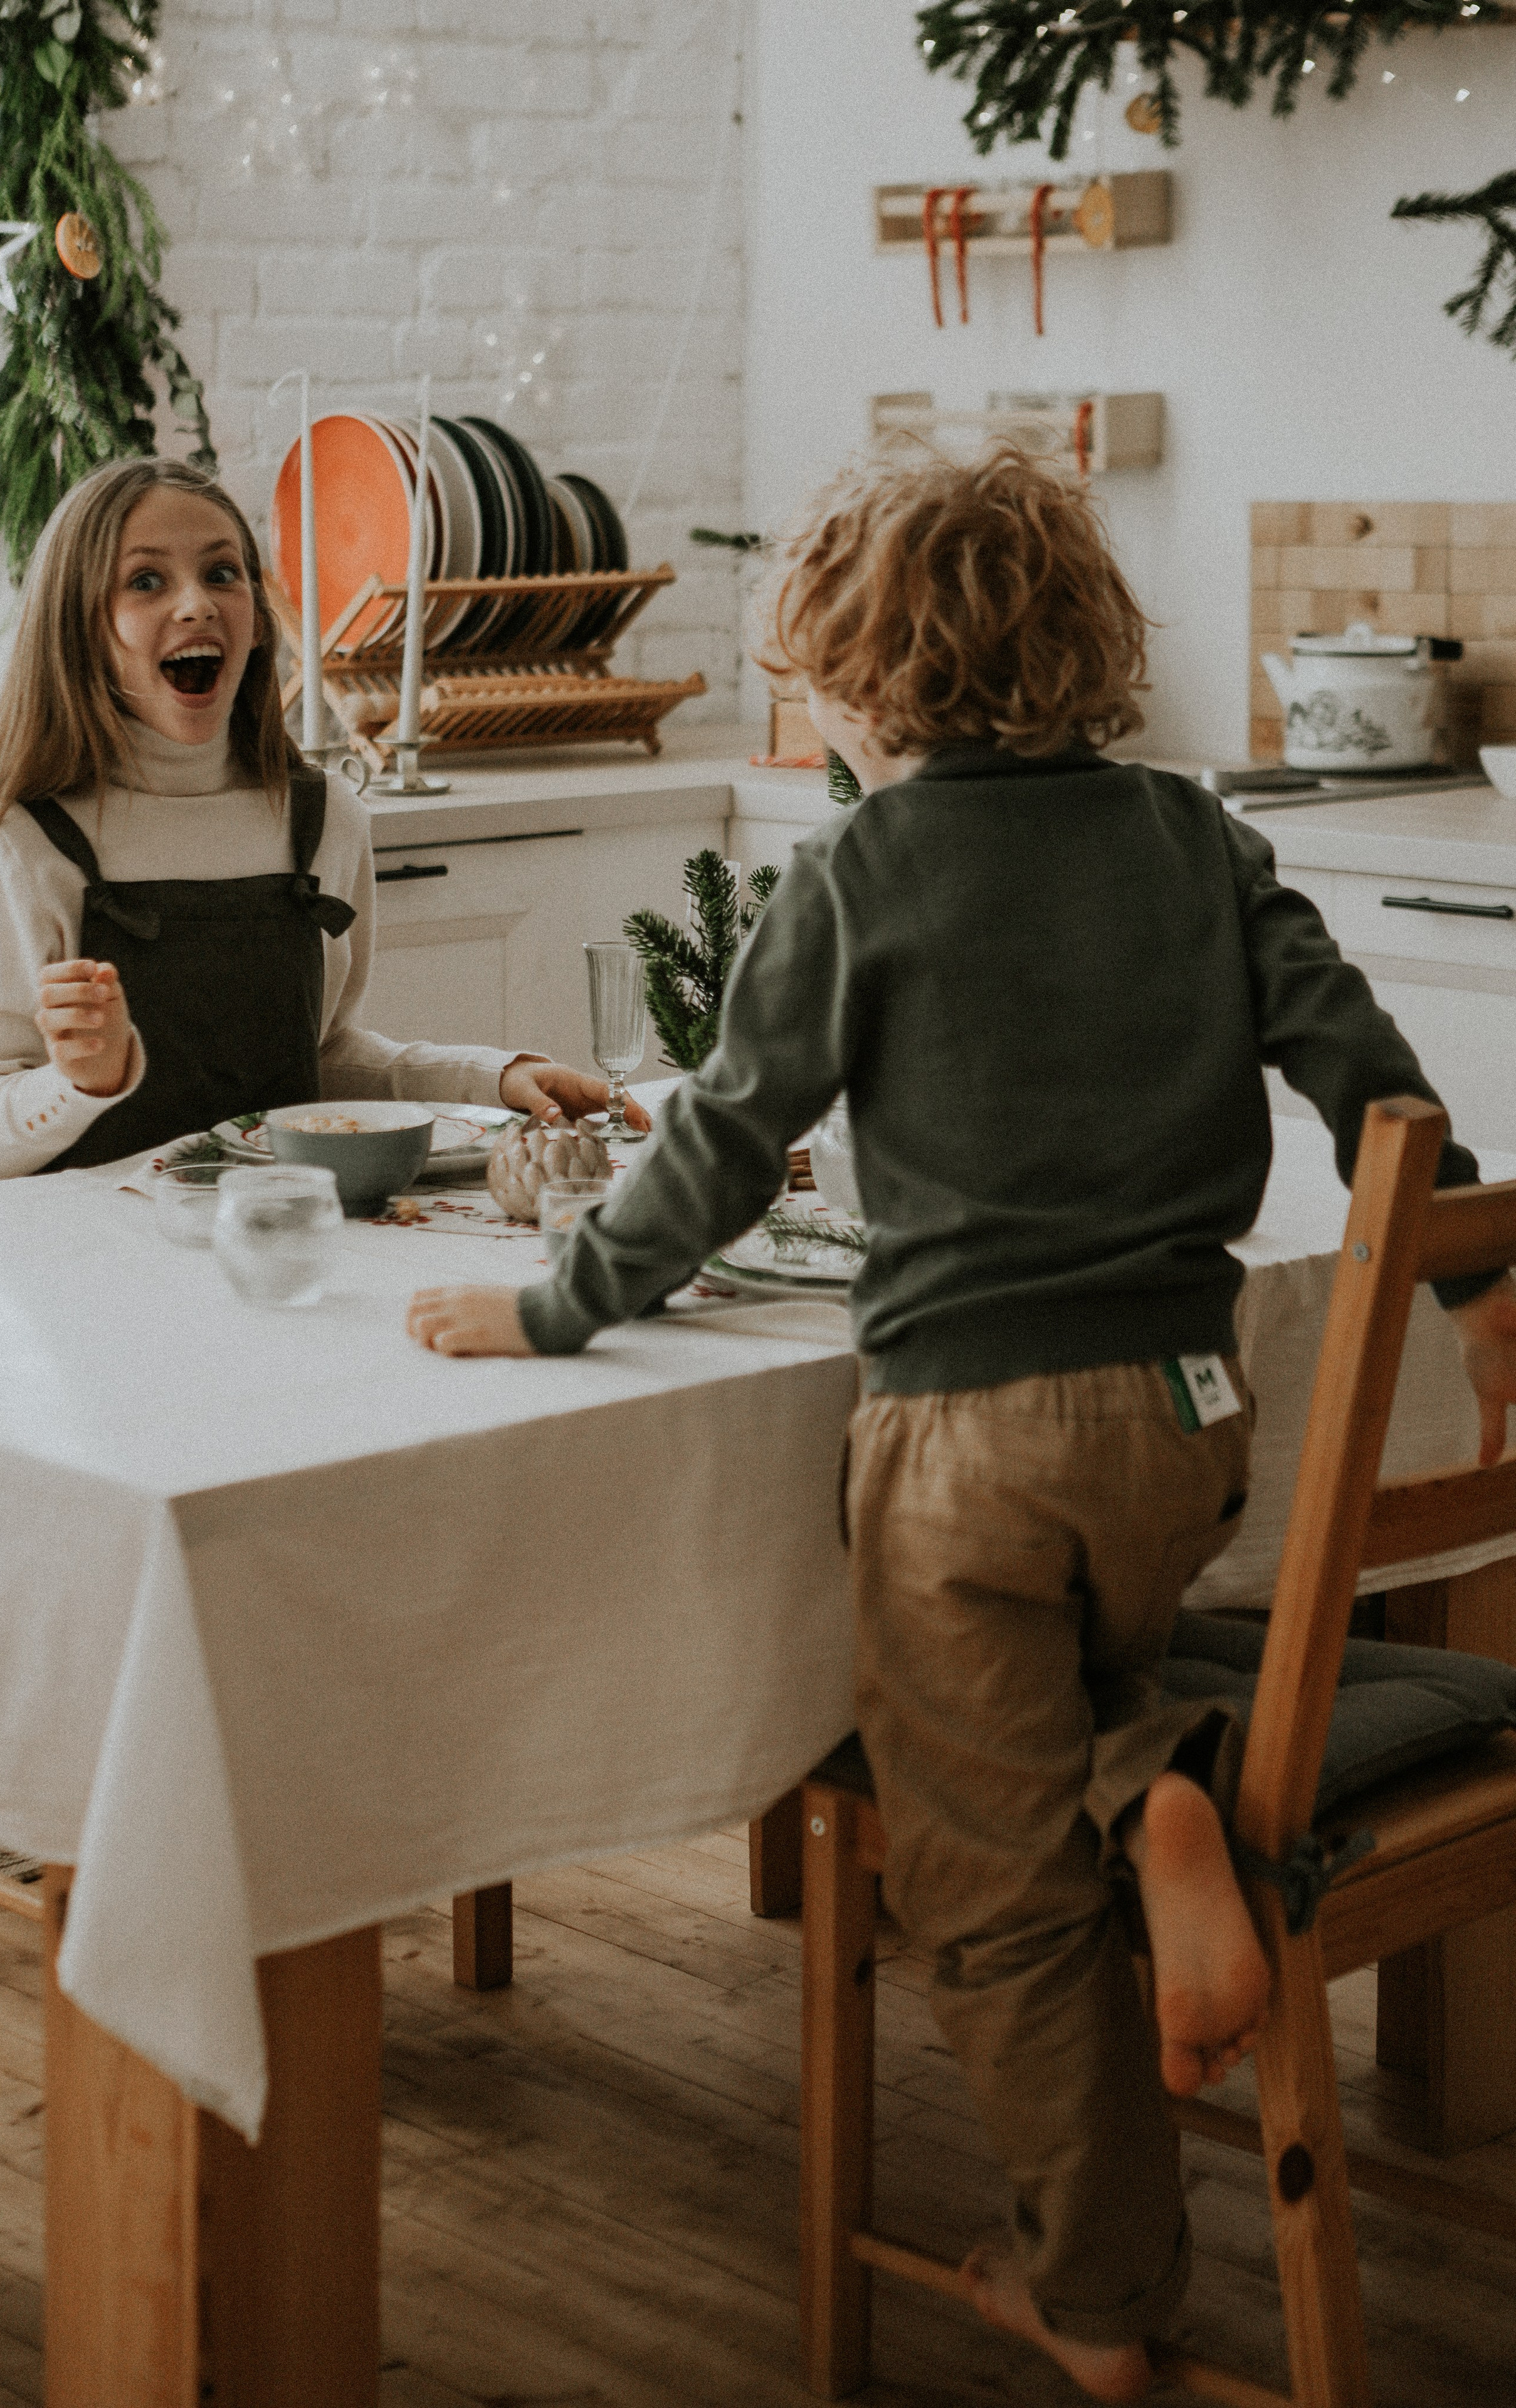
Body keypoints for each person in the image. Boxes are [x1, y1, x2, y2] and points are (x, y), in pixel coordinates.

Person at [403, 448, 1516, 2399]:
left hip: (968, 1450)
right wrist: (1486, 1285)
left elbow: (719, 1154)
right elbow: (1369, 1079)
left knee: (974, 1866)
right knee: (1053, 1677)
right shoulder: (1194, 837)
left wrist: (549, 1304)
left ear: (861, 681)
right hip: (1184, 1430)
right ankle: (1148, 1775)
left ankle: (1094, 2289)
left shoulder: (859, 873)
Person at [0, 458, 642, 1178]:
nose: (197, 604)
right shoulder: (24, 836)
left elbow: (322, 1061)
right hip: (93, 1253)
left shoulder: (324, 817)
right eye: (146, 581)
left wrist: (492, 1079)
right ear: (81, 632)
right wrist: (79, 1082)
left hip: (283, 1238)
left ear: (260, 622)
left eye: (222, 574)